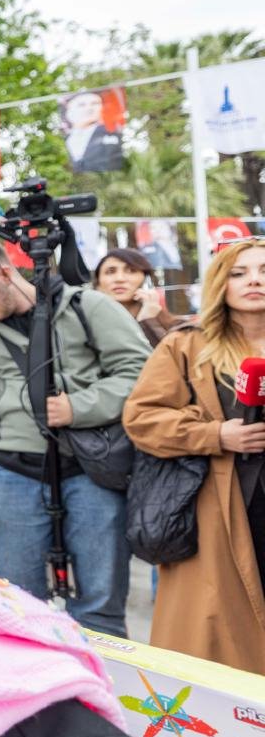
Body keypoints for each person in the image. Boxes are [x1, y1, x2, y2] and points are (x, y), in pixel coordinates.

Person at [0, 239, 149, 636]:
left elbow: (142, 371)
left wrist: (80, 405)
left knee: (101, 602)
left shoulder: (88, 307)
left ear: (4, 272)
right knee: (19, 605)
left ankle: (100, 690)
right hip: (6, 472)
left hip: (92, 468)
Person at [122, 238, 265, 674]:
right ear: (221, 282)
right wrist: (215, 434)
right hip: (221, 509)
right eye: (239, 273)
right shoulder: (187, 345)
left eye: (263, 270)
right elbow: (141, 418)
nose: (255, 280)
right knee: (222, 634)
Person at [94, 248, 186, 347]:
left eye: (131, 271)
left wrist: (149, 321)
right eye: (110, 271)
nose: (119, 279)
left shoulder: (178, 328)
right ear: (98, 283)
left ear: (147, 280)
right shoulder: (85, 328)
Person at [59, 89, 125, 173]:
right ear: (68, 109)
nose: (89, 108)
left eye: (95, 104)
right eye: (81, 105)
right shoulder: (62, 139)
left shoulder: (112, 134)